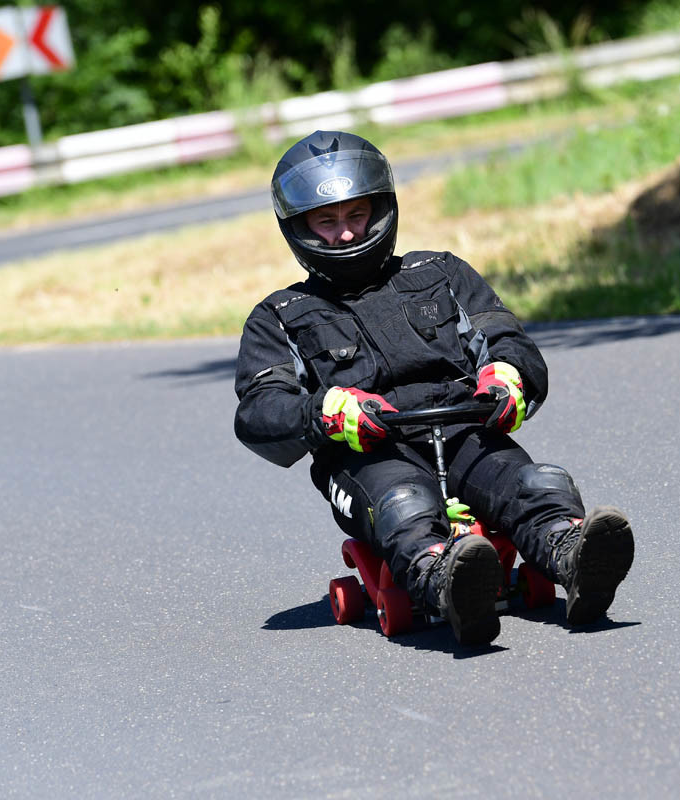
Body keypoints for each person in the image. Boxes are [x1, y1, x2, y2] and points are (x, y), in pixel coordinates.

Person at [234, 130, 634, 645]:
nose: (347, 234)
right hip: (367, 454)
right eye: (326, 222)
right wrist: (325, 411)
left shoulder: (439, 272)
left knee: (536, 484)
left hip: (465, 430)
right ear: (299, 228)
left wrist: (507, 376)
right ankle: (447, 581)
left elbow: (508, 340)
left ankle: (572, 554)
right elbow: (259, 410)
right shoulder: (279, 316)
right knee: (404, 505)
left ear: (382, 210)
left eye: (357, 215)